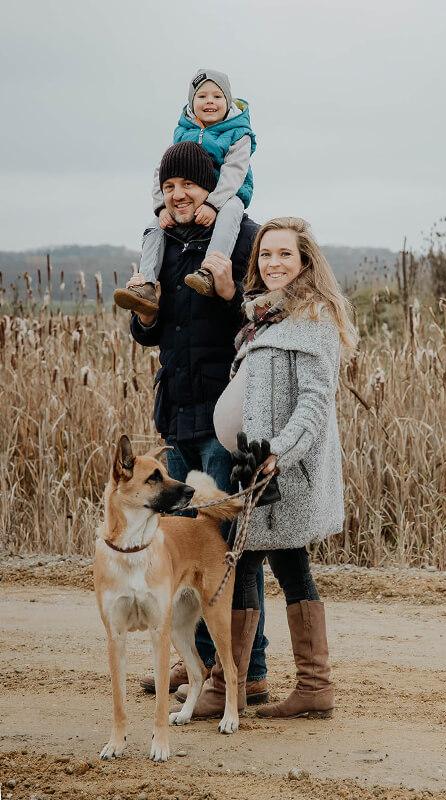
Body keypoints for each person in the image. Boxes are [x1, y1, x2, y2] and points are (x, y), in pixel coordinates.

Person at [173, 216, 357, 721]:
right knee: (276, 566)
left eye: (285, 255)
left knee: (249, 564)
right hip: (255, 469)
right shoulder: (263, 317)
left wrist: (278, 450)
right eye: (267, 255)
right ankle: (289, 685)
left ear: (304, 263)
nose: (274, 264)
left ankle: (231, 685)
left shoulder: (312, 320)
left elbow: (315, 403)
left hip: (282, 472)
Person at [126, 140, 268, 705]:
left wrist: (232, 294)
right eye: (169, 187)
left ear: (211, 188)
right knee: (185, 544)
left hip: (222, 417)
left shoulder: (238, 237)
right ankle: (200, 664)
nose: (178, 195)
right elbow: (153, 335)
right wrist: (144, 314)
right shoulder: (163, 245)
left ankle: (245, 673)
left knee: (227, 546)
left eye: (187, 185)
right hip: (176, 415)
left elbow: (259, 319)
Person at [114, 68, 256, 312]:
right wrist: (161, 208)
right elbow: (162, 170)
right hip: (191, 202)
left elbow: (234, 172)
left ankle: (210, 270)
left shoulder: (239, 132)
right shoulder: (182, 131)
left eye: (217, 96)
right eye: (201, 96)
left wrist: (213, 204)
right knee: (154, 227)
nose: (209, 101)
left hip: (229, 194)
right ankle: (146, 284)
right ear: (192, 102)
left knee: (231, 210)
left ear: (228, 101)